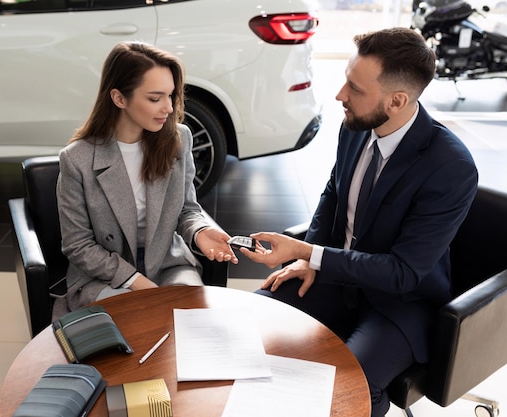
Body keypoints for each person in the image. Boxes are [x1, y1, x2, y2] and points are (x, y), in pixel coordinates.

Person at [240, 27, 478, 417]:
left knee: (345, 390)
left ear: (397, 101)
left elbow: (403, 273)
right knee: (251, 326)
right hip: (336, 280)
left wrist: (309, 251)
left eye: (355, 88)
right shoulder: (356, 128)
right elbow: (333, 194)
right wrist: (307, 260)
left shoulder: (450, 167)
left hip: (399, 303)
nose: (340, 96)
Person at [53, 42, 237, 318]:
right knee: (135, 321)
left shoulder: (178, 139)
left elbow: (186, 209)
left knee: (192, 322)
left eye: (170, 96)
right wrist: (136, 282)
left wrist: (199, 231)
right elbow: (78, 245)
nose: (167, 108)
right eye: (154, 98)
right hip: (104, 275)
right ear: (119, 98)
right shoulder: (77, 159)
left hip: (167, 265)